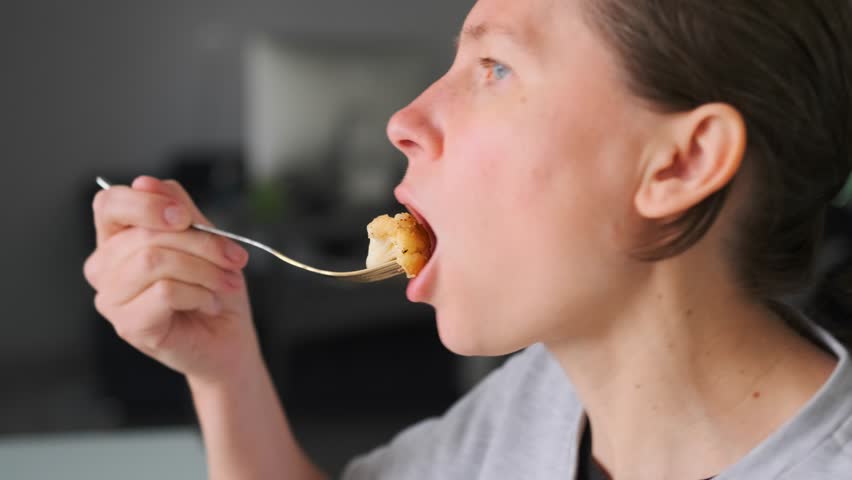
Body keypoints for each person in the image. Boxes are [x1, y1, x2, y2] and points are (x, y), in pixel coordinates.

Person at [83, 0, 852, 478]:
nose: (404, 122)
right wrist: (224, 369)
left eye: (495, 67)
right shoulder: (540, 398)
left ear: (679, 163)